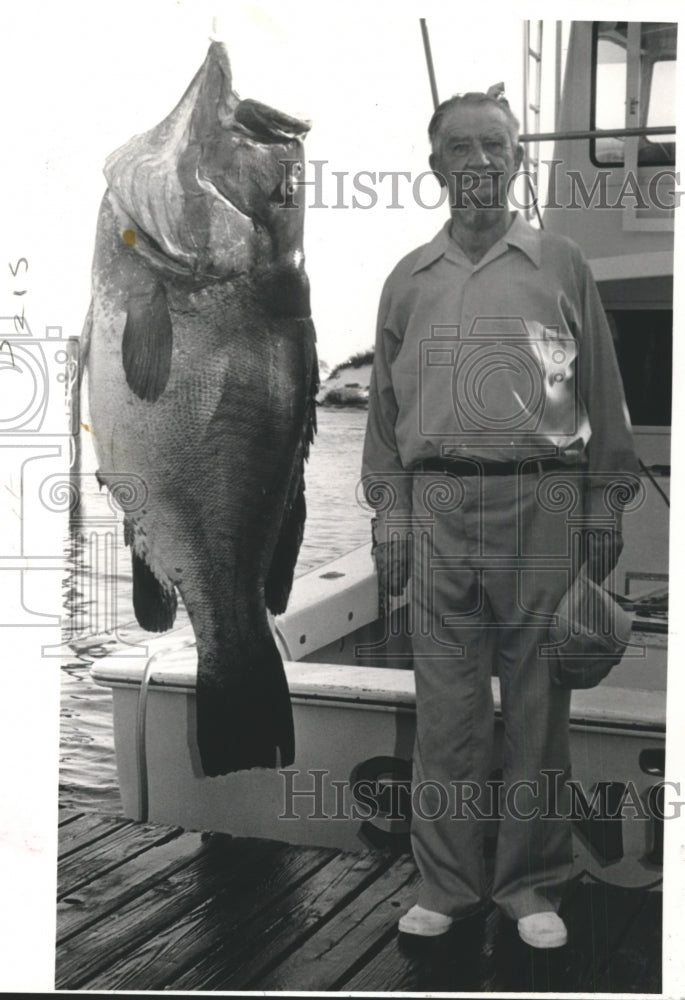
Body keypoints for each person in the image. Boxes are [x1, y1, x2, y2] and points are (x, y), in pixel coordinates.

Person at [361, 89, 639, 949]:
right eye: (461, 147)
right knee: (443, 712)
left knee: (535, 711)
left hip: (541, 501)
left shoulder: (558, 263)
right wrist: (392, 519)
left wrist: (600, 504)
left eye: (494, 146)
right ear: (435, 164)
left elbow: (599, 395)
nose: (478, 161)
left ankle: (530, 884)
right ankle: (445, 884)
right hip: (436, 506)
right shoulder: (406, 280)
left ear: (516, 160)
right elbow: (380, 418)